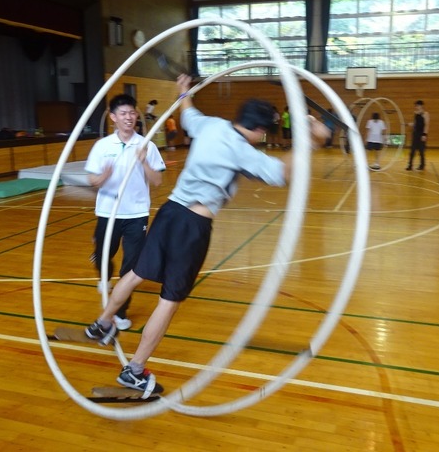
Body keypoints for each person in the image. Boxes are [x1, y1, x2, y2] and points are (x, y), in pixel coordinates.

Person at [83, 74, 330, 397]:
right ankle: (135, 370)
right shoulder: (243, 150)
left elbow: (188, 114)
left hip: (169, 213)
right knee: (169, 301)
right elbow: (283, 173)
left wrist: (184, 91)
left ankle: (102, 323)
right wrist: (310, 140)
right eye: (262, 134)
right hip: (192, 227)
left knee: (135, 274)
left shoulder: (212, 125)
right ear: (257, 131)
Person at [85, 94, 165, 331]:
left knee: (130, 266)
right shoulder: (102, 146)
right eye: (123, 113)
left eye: (132, 113)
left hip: (136, 214)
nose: (129, 117)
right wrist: (103, 177)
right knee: (102, 256)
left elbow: (158, 181)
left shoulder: (146, 145)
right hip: (107, 212)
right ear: (113, 118)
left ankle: (119, 312)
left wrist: (144, 163)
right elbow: (92, 179)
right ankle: (103, 274)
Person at [406, 100, 429, 171]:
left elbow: (426, 125)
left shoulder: (425, 114)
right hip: (415, 134)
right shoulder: (416, 114)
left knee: (421, 151)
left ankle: (422, 165)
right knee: (412, 150)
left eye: (417, 105)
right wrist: (409, 124)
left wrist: (424, 135)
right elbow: (415, 124)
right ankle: (410, 165)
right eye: (415, 106)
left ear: (421, 106)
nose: (416, 107)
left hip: (422, 134)